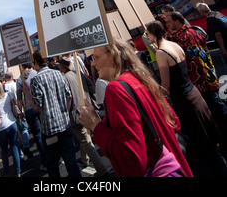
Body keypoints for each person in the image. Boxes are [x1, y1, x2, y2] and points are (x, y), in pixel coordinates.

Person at [78, 40, 193, 177]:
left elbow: (132, 160)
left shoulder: (116, 89)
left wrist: (95, 125)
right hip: (175, 164)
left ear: (113, 55)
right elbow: (174, 122)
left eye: (96, 58)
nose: (93, 64)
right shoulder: (139, 78)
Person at [146, 20, 227, 177]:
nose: (147, 36)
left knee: (200, 150)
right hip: (194, 95)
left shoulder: (161, 52)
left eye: (147, 33)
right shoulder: (174, 45)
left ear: (153, 33)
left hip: (184, 102)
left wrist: (159, 100)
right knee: (209, 144)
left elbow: (166, 84)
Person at [166, 11, 227, 157]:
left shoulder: (178, 38)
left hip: (199, 81)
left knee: (215, 110)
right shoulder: (195, 31)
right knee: (217, 108)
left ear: (177, 21)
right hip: (208, 76)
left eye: (169, 21)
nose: (167, 25)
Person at [23, 50, 81, 177]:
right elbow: (69, 96)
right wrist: (64, 112)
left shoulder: (36, 80)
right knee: (71, 162)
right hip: (64, 125)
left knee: (53, 166)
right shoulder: (58, 74)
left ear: (36, 62)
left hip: (50, 130)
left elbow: (37, 107)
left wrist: (27, 94)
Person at [58, 57, 109, 176]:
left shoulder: (64, 78)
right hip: (86, 107)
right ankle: (84, 160)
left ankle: (102, 169)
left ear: (62, 67)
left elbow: (68, 97)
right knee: (85, 136)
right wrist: (93, 99)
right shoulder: (77, 73)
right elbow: (90, 83)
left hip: (77, 113)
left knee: (85, 139)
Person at [17, 63, 45, 167]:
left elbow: (19, 99)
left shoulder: (20, 79)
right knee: (46, 132)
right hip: (41, 105)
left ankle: (45, 160)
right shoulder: (36, 73)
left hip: (30, 110)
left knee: (38, 135)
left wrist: (20, 112)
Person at [0, 81, 21, 177]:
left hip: (1, 127)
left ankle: (7, 170)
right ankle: (18, 171)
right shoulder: (9, 95)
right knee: (14, 148)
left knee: (4, 151)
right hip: (12, 123)